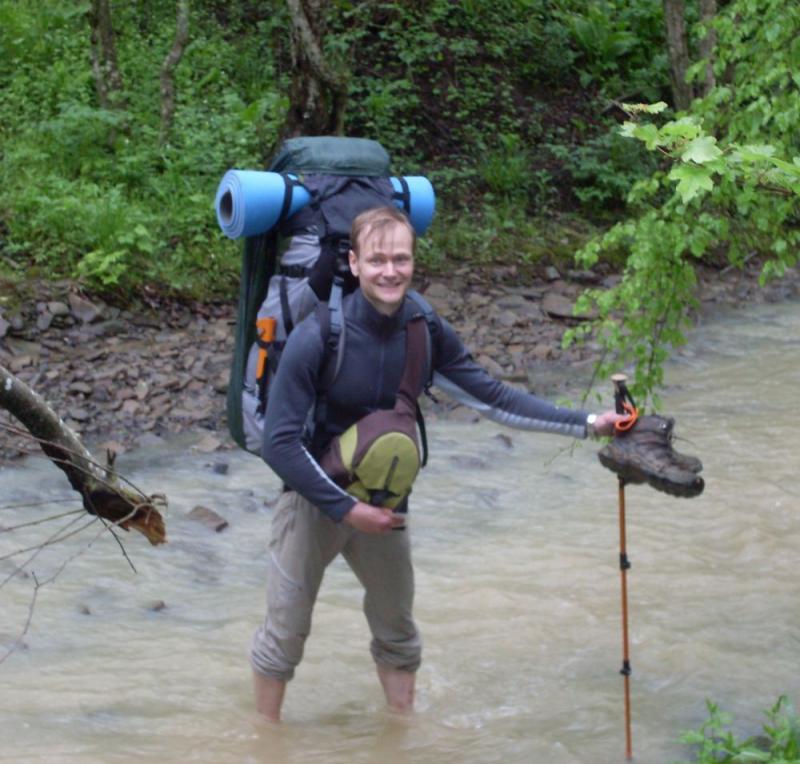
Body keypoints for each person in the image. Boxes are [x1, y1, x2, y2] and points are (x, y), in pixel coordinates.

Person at [250, 206, 621, 721]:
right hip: (315, 497)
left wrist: (588, 422)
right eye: (377, 259)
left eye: (400, 258)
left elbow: (494, 398)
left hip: (386, 502)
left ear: (413, 261)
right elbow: (280, 444)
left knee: (398, 632)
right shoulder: (319, 336)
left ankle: (401, 736)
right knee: (284, 633)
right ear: (354, 263)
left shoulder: (423, 329)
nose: (390, 271)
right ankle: (262, 743)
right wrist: (343, 509)